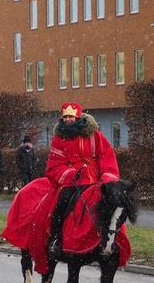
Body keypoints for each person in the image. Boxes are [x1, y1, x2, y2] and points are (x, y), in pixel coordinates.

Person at [47, 102, 121, 255]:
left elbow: (105, 155)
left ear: (77, 117)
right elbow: (55, 163)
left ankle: (110, 241)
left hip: (95, 179)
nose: (68, 119)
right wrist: (71, 172)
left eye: (71, 116)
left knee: (111, 206)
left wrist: (107, 176)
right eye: (65, 116)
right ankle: (56, 239)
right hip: (72, 181)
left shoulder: (95, 135)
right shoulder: (59, 138)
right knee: (61, 203)